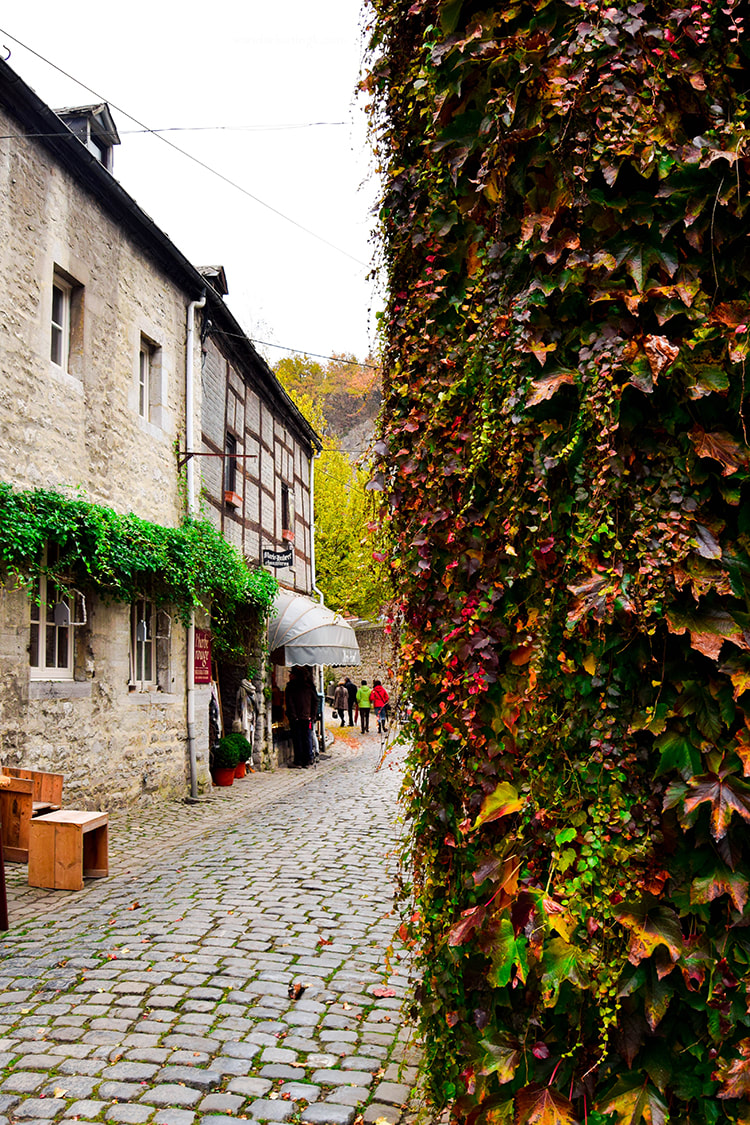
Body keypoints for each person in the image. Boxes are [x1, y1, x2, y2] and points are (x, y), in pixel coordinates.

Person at [285, 666, 317, 768]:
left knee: (298, 739)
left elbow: (290, 703)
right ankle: (307, 760)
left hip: (297, 717)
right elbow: (315, 701)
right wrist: (312, 715)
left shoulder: (291, 687)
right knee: (306, 737)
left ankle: (299, 761)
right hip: (306, 717)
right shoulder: (309, 686)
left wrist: (294, 716)